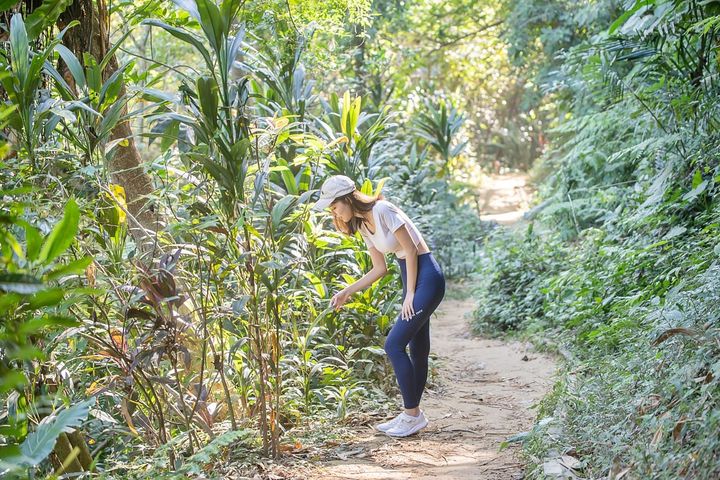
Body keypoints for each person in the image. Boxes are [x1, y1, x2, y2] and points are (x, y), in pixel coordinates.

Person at [311, 175, 446, 437]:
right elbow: (379, 268)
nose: (334, 212)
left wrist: (410, 294)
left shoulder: (383, 210)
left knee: (393, 344)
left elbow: (410, 248)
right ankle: (413, 414)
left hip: (427, 276)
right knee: (418, 348)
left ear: (347, 199)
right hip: (412, 276)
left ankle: (412, 415)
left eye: (335, 206)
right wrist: (346, 292)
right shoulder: (363, 226)